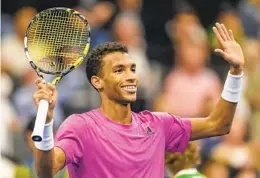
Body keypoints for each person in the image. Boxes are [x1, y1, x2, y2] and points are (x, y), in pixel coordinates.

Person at [32, 23, 245, 178]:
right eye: (119, 70)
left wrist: (235, 73)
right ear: (98, 82)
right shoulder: (81, 126)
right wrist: (47, 122)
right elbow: (46, 170)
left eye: (132, 69)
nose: (131, 76)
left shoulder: (158, 124)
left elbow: (219, 124)